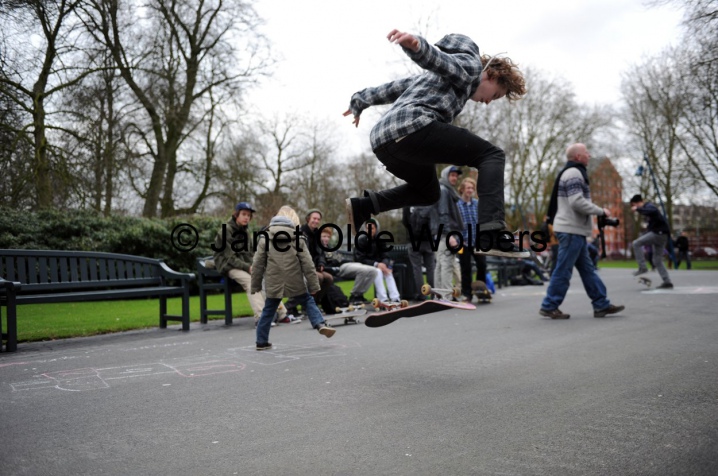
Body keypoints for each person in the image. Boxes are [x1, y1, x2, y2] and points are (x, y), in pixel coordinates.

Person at [343, 29, 529, 258]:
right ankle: (491, 231)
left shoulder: (431, 79)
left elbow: (392, 89)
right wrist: (417, 46)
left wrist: (359, 101)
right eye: (496, 95)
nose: (489, 102)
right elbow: (443, 62)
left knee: (429, 192)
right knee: (492, 155)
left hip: (385, 142)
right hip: (412, 128)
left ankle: (365, 206)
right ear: (490, 75)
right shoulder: (471, 68)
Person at [539, 143, 625, 319]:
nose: (590, 155)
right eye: (586, 152)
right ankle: (549, 305)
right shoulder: (574, 173)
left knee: (588, 270)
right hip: (571, 230)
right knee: (563, 270)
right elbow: (576, 201)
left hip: (574, 230)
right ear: (578, 156)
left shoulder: (573, 172)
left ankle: (601, 304)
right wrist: (601, 210)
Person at [251, 206, 336, 351]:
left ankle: (261, 342)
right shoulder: (299, 238)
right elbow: (308, 264)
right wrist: (314, 285)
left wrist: (256, 286)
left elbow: (258, 264)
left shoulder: (265, 238)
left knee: (268, 310)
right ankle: (320, 324)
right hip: (295, 280)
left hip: (274, 281)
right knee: (308, 300)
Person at [212, 201, 287, 326]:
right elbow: (230, 258)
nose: (246, 217)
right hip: (228, 265)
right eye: (244, 214)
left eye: (248, 215)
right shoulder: (226, 231)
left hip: (243, 264)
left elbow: (250, 254)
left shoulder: (245, 232)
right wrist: (248, 267)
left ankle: (282, 314)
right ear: (236, 215)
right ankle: (261, 318)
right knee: (251, 281)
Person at [284, 209, 334, 316]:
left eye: (318, 219)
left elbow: (320, 253)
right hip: (301, 268)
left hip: (313, 267)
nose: (316, 221)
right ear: (308, 219)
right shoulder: (300, 232)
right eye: (314, 218)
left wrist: (321, 264)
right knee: (318, 278)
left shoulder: (317, 234)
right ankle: (303, 306)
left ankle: (313, 304)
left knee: (328, 278)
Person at [320, 227, 379, 304]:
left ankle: (359, 295)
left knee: (373, 271)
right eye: (324, 236)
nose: (326, 239)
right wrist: (334, 262)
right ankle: (354, 295)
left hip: (345, 264)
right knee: (363, 270)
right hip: (339, 268)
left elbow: (340, 258)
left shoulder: (330, 248)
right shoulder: (319, 249)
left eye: (328, 237)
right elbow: (329, 262)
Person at [431, 166, 464, 293]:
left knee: (440, 264)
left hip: (439, 233)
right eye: (452, 175)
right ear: (446, 176)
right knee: (446, 265)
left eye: (456, 175)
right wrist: (450, 235)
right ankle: (446, 296)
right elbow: (443, 214)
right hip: (446, 234)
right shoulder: (444, 190)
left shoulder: (443, 190)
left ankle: (439, 295)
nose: (455, 178)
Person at [630, 194, 674, 289]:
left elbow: (652, 211)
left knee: (636, 243)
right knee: (657, 260)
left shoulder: (649, 206)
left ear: (638, 202)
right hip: (662, 235)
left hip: (659, 233)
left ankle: (643, 268)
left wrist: (637, 209)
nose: (635, 208)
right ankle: (667, 282)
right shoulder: (647, 210)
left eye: (635, 205)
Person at [354, 218, 401, 303]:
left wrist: (385, 265)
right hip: (368, 267)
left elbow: (386, 255)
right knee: (378, 272)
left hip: (381, 265)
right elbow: (360, 258)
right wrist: (376, 264)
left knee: (388, 272)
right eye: (367, 228)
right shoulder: (361, 241)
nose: (369, 231)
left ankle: (395, 298)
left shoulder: (380, 240)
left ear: (376, 229)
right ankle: (383, 299)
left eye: (371, 228)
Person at [456, 176, 488, 302]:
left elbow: (482, 221)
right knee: (466, 269)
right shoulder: (457, 205)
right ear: (462, 189)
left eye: (472, 188)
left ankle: (480, 289)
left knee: (482, 265)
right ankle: (467, 294)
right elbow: (456, 224)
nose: (470, 190)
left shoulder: (477, 204)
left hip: (477, 241)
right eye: (468, 188)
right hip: (464, 241)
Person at [401, 205, 436, 301]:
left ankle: (422, 294)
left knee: (417, 268)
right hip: (428, 241)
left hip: (413, 240)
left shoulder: (407, 204)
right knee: (431, 268)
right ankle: (434, 293)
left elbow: (405, 221)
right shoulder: (427, 203)